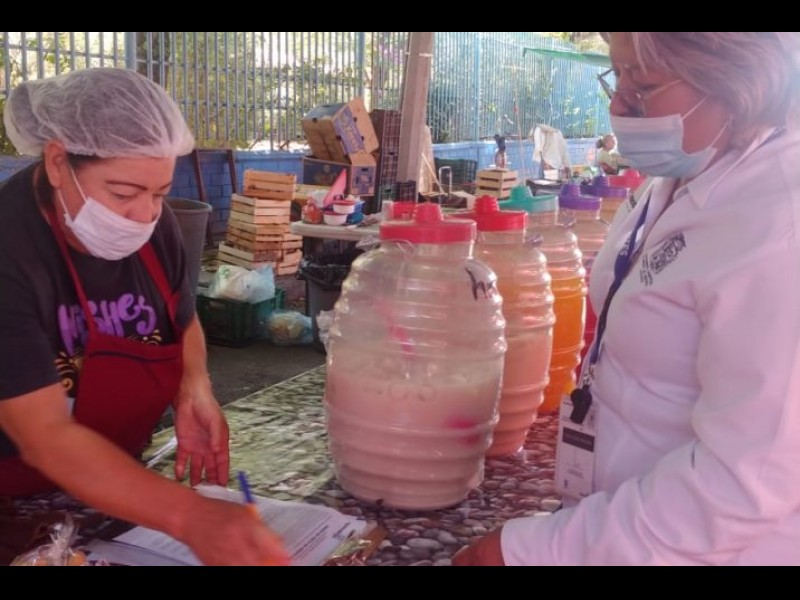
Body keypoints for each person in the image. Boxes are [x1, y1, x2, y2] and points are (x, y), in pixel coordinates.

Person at [454, 32, 800, 566]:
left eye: (644, 84)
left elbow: (746, 479)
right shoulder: (681, 176)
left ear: (736, 79)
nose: (618, 106)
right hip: (623, 525)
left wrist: (534, 552)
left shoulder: (780, 222)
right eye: (618, 77)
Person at [0, 68, 289, 566]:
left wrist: (193, 386)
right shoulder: (10, 248)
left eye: (158, 192)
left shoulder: (158, 228)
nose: (144, 215)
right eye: (122, 193)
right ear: (57, 162)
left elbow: (181, 318)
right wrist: (191, 517)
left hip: (113, 482)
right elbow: (43, 435)